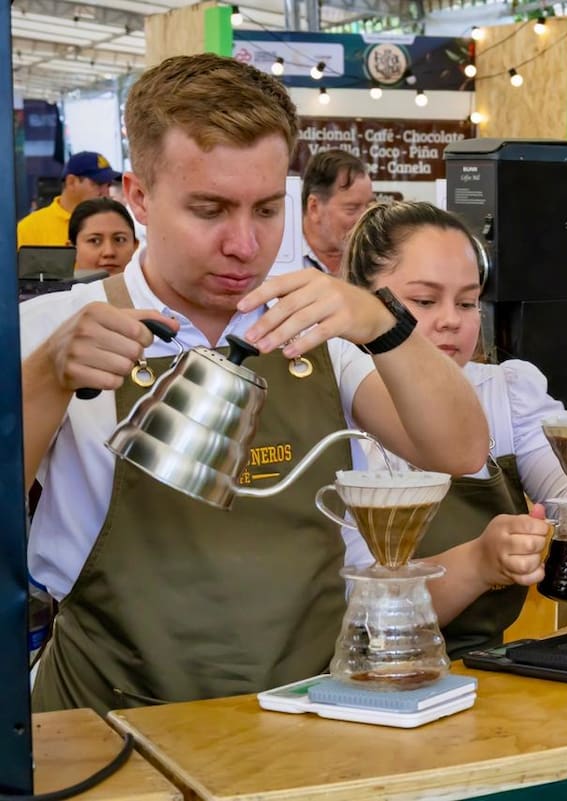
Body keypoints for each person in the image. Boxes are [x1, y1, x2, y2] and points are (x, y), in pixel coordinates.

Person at [19, 54, 489, 714]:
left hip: (310, 716)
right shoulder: (45, 328)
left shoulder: (317, 329)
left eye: (267, 209)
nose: (244, 244)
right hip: (109, 723)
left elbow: (461, 450)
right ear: (141, 195)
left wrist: (382, 322)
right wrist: (44, 377)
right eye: (209, 209)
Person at [342, 201, 567, 657]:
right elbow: (362, 613)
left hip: (481, 675)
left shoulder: (506, 391)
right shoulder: (334, 405)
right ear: (359, 301)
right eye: (423, 301)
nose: (451, 320)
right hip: (365, 675)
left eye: (466, 302)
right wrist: (477, 563)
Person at [17, 151, 120, 248]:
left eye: (108, 185)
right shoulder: (30, 229)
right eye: (99, 183)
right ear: (71, 182)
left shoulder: (115, 224)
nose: (106, 192)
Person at [301, 149, 374, 274]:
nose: (364, 218)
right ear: (314, 208)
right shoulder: (277, 261)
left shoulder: (378, 261)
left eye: (369, 206)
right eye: (352, 209)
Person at [67, 197, 139, 276]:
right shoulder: (58, 288)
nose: (109, 252)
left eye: (119, 239)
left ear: (135, 246)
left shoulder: (150, 288)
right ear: (72, 248)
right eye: (94, 240)